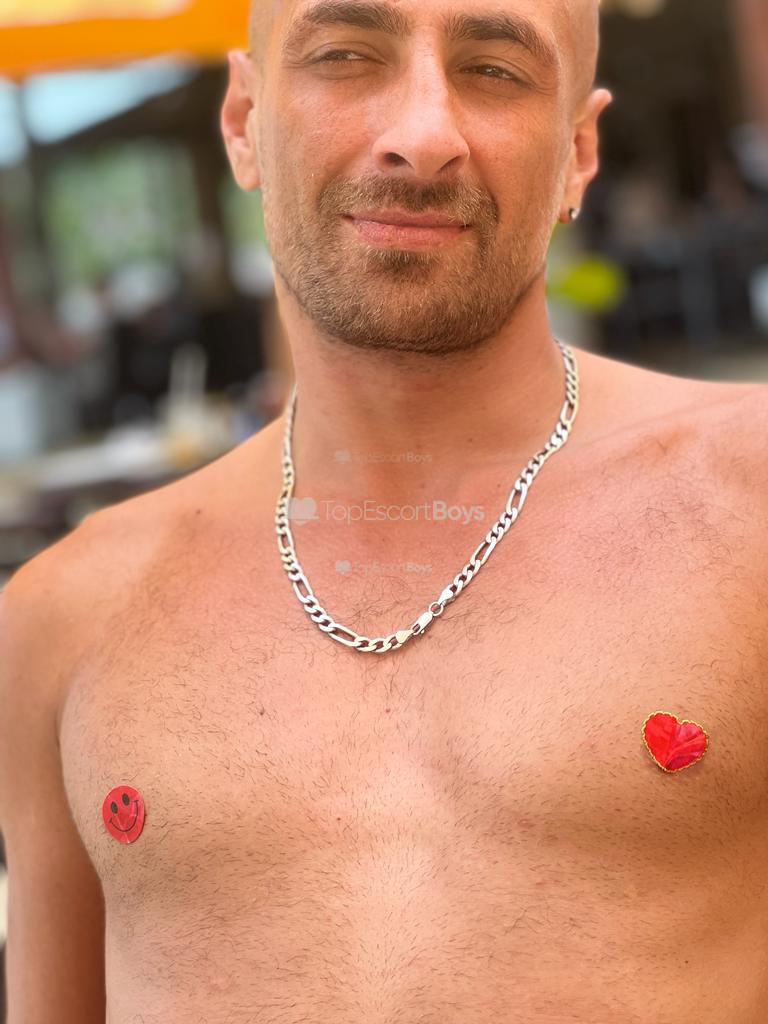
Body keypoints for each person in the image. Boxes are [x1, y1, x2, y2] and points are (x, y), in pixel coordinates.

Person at [1, 1, 767, 1021]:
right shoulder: (66, 617)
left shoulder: (748, 511)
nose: (423, 134)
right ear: (243, 123)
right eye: (345, 55)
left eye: (494, 70)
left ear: (578, 154)